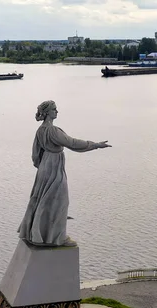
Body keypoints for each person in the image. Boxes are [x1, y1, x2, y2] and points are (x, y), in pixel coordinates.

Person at [17, 100, 111, 247]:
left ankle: (39, 234)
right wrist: (95, 145)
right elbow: (72, 143)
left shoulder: (40, 131)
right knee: (60, 201)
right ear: (47, 112)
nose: (57, 112)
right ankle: (56, 237)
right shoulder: (52, 131)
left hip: (44, 167)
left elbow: (35, 154)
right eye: (54, 109)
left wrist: (42, 166)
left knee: (43, 200)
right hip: (54, 166)